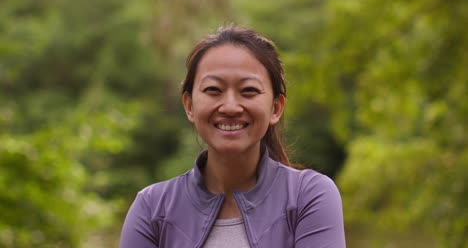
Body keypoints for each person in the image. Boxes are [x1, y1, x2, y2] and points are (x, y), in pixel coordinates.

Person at [119, 26, 346, 248]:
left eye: (248, 90)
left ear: (276, 108)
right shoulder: (152, 208)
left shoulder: (309, 196)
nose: (230, 107)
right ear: (189, 105)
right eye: (213, 90)